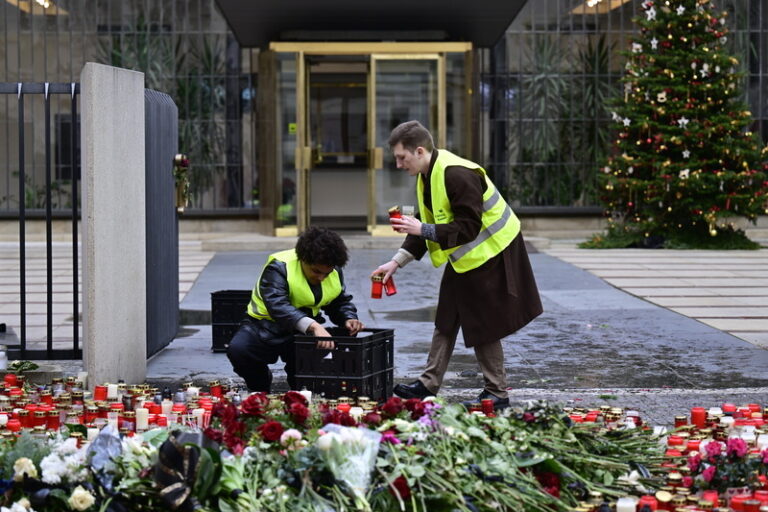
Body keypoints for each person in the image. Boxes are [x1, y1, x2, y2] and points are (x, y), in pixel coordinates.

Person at [372, 120, 542, 409]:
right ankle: (428, 383)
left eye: (402, 157)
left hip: (494, 251)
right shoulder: (427, 175)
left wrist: (422, 230)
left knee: (482, 322)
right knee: (447, 317)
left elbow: (467, 227)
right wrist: (396, 262)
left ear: (420, 150)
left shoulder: (457, 174)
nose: (399, 164)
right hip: (469, 255)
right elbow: (428, 225)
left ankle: (497, 393)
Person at [227, 226, 364, 392]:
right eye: (316, 271)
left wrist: (348, 317)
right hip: (263, 326)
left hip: (301, 333)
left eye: (326, 274)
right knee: (239, 350)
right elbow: (278, 305)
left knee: (305, 383)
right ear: (303, 260)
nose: (321, 278)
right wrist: (314, 327)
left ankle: (301, 393)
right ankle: (260, 385)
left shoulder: (333, 269)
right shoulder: (279, 266)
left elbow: (338, 300)